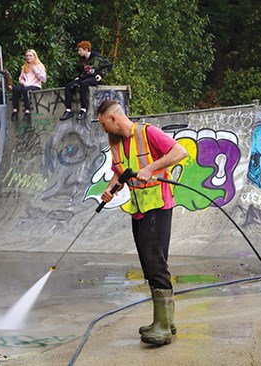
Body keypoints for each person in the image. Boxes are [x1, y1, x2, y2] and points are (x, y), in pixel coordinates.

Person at [97, 100, 188, 345]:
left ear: (114, 119)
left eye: (103, 124)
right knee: (148, 264)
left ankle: (162, 327)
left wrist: (151, 168)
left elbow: (180, 151)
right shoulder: (115, 142)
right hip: (138, 208)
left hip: (157, 204)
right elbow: (120, 171)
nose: (103, 129)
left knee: (155, 261)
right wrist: (110, 190)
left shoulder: (147, 133)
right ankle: (165, 322)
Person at [59, 40, 112, 121]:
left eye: (80, 50)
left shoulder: (97, 58)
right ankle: (68, 110)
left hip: (94, 78)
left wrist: (101, 75)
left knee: (83, 84)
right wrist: (77, 76)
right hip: (84, 77)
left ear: (86, 50)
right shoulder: (82, 59)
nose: (79, 52)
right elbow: (78, 69)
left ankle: (83, 109)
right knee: (69, 86)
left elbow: (109, 66)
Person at [11, 49, 47, 122]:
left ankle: (27, 112)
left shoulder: (39, 65)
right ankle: (15, 111)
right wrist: (24, 83)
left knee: (26, 91)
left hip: (35, 85)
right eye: (27, 56)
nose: (28, 57)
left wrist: (34, 69)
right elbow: (20, 78)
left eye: (30, 56)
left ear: (34, 56)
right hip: (27, 84)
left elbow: (43, 79)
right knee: (15, 89)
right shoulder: (25, 66)